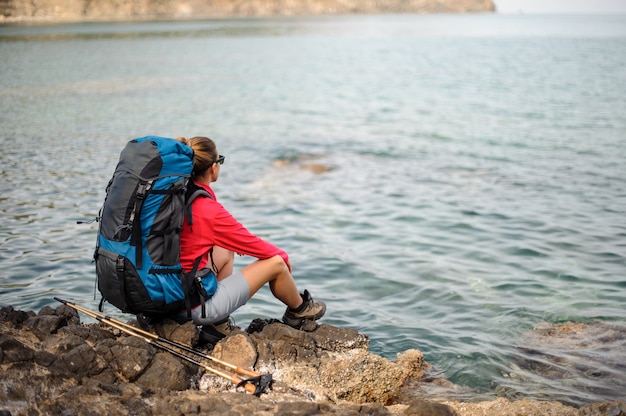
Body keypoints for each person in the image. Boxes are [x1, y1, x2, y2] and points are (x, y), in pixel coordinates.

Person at [175, 136, 326, 343]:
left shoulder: (173, 197)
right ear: (212, 168)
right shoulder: (206, 209)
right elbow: (251, 243)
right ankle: (299, 311)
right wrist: (282, 257)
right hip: (188, 308)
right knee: (276, 264)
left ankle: (217, 326)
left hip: (161, 296)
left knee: (222, 248)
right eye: (220, 161)